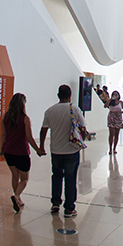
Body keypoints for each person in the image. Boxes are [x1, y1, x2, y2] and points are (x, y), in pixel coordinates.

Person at [40, 84, 86, 217]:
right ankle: (69, 208)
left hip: (56, 150)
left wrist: (41, 146)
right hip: (71, 150)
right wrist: (81, 140)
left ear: (58, 95)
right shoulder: (75, 109)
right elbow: (83, 127)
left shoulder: (50, 111)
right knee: (70, 179)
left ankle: (55, 203)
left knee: (57, 176)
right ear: (70, 95)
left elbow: (43, 130)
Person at [0, 92, 43, 212]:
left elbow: (3, 134)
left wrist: (1, 149)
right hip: (22, 153)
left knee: (14, 175)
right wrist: (38, 149)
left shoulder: (5, 117)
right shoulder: (25, 119)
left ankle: (18, 200)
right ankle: (16, 196)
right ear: (22, 105)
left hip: (9, 152)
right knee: (24, 179)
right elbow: (29, 138)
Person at [106, 90, 123, 154]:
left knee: (117, 134)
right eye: (113, 95)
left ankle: (114, 148)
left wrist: (120, 112)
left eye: (116, 95)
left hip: (118, 118)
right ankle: (110, 148)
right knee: (111, 133)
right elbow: (105, 105)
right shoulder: (110, 102)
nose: (115, 96)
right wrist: (109, 100)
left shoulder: (121, 103)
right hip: (111, 118)